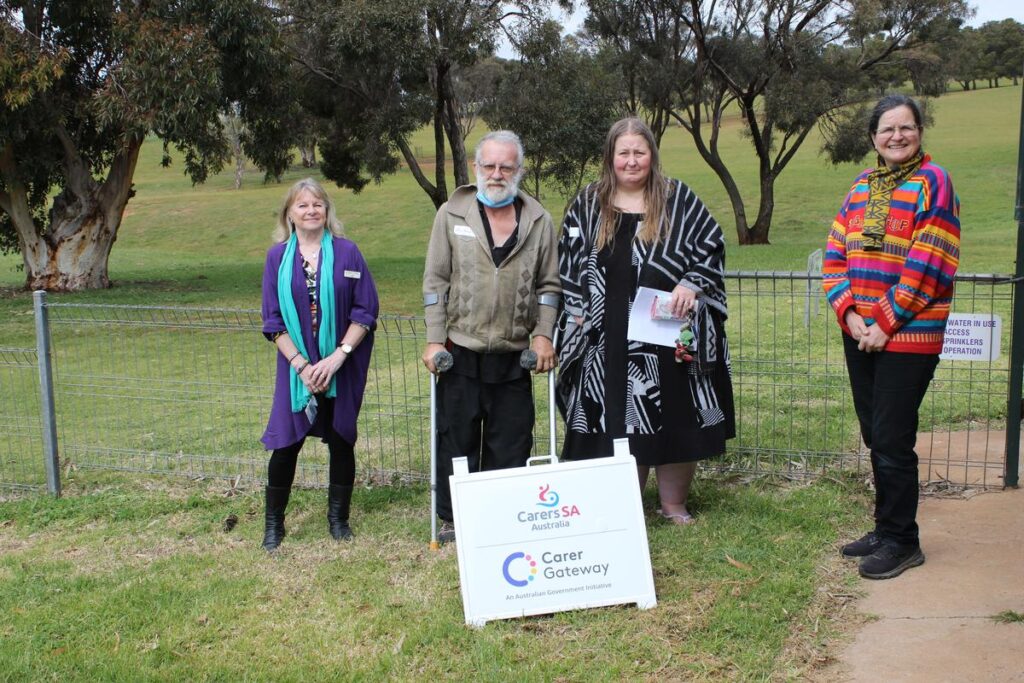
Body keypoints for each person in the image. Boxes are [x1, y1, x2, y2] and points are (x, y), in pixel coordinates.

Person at [556, 117, 735, 526]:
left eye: (640, 152)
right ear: (610, 157)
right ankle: (626, 506)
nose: (632, 161)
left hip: (668, 332)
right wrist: (578, 312)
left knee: (675, 416)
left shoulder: (678, 199)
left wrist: (692, 282)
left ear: (652, 155)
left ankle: (673, 504)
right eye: (624, 153)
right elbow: (566, 257)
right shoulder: (588, 202)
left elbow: (711, 245)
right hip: (604, 335)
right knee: (616, 418)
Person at [823, 94, 960, 579]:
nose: (896, 136)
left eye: (906, 127)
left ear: (920, 131)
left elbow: (931, 261)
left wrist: (885, 320)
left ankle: (904, 540)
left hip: (909, 334)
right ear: (873, 138)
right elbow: (834, 255)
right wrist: (851, 315)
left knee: (891, 436)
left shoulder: (934, 183)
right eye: (887, 130)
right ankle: (885, 528)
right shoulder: (861, 187)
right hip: (861, 332)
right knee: (873, 433)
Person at [421, 130, 561, 544]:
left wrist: (543, 335)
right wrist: (434, 338)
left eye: (506, 166)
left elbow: (549, 286)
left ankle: (505, 518)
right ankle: (454, 520)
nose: (497, 174)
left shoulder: (539, 220)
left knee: (511, 441)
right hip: (460, 350)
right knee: (457, 439)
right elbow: (435, 282)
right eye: (489, 165)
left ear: (519, 170)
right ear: (476, 168)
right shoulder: (451, 214)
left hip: (515, 354)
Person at [260, 178, 379, 551]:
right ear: (289, 214)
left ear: (327, 212)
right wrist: (301, 365)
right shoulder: (276, 258)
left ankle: (338, 521)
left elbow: (365, 310)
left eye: (318, 205)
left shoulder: (348, 253)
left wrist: (336, 358)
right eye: (302, 205)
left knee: (341, 439)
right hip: (297, 371)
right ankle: (274, 526)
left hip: (340, 367)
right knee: (286, 443)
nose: (311, 211)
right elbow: (273, 320)